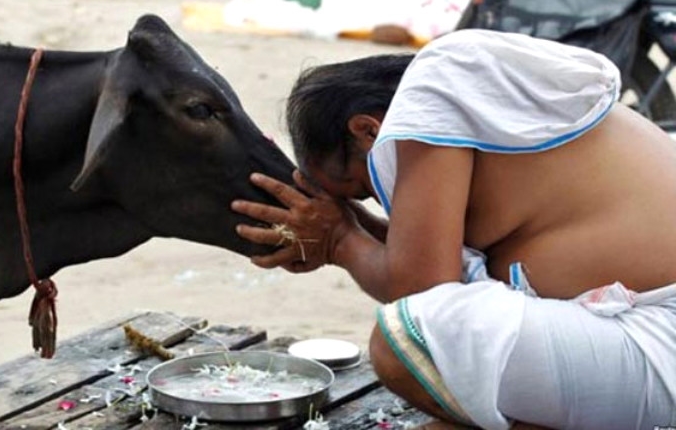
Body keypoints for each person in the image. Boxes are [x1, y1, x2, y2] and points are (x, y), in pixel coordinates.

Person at [231, 29, 676, 429]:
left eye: (362, 190)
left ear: (369, 131)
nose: (382, 201)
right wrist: (351, 227)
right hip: (649, 345)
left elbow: (421, 291)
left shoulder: (435, 83)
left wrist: (339, 241)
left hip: (662, 338)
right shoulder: (473, 123)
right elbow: (435, 261)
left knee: (404, 337)